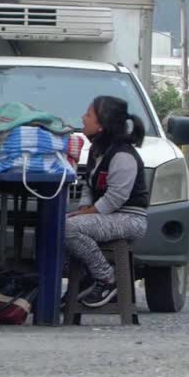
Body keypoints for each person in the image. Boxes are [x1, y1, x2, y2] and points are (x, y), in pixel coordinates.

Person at [67, 95, 151, 308]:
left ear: (102, 124)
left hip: (129, 218)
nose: (83, 118)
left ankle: (107, 278)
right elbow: (87, 183)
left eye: (88, 114)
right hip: (107, 214)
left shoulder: (123, 155)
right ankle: (82, 282)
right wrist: (84, 207)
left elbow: (116, 197)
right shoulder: (97, 151)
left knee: (68, 228)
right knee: (53, 224)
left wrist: (90, 212)